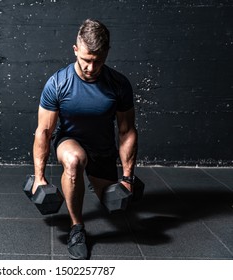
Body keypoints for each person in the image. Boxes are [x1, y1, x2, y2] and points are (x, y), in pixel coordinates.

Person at [32, 19, 138, 260]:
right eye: (86, 60)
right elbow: (44, 132)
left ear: (106, 54)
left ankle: (92, 180)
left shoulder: (119, 84)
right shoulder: (58, 83)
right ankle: (77, 228)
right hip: (70, 141)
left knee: (116, 206)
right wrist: (39, 178)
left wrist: (128, 177)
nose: (91, 67)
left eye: (97, 61)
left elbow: (127, 131)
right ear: (75, 50)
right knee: (73, 161)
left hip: (103, 150)